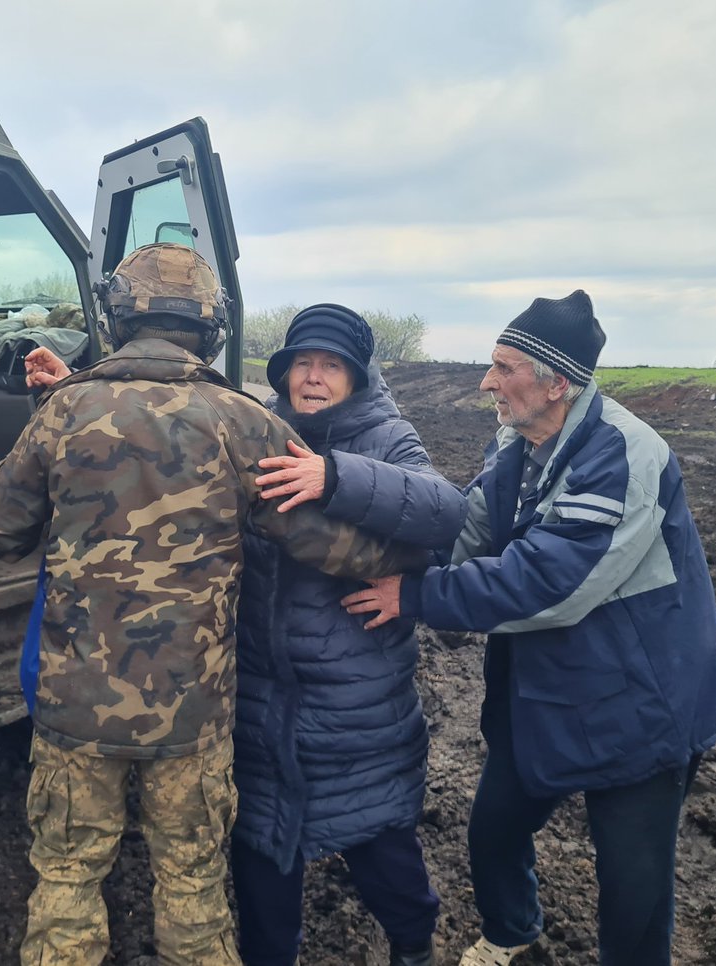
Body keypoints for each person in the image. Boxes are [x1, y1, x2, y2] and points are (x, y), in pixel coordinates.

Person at [0, 243, 419, 966]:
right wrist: (412, 558)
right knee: (193, 889)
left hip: (74, 710)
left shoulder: (65, 412)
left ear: (117, 316)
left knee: (67, 880)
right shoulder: (241, 420)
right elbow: (329, 547)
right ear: (210, 326)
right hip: (193, 717)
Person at [341, 290, 716, 966]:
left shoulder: (626, 454)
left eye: (503, 366)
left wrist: (416, 596)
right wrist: (371, 553)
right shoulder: (515, 441)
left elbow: (553, 582)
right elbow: (468, 530)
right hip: (550, 687)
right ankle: (512, 934)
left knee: (633, 887)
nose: (487, 381)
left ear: (557, 383)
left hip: (641, 701)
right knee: (494, 830)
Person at [230, 304, 468, 966]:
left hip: (354, 708)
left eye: (330, 364)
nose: (312, 376)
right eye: (301, 362)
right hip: (260, 702)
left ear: (357, 376)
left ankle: (415, 948)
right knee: (260, 861)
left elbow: (447, 512)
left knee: (381, 853)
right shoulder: (259, 433)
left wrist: (331, 477)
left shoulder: (388, 437)